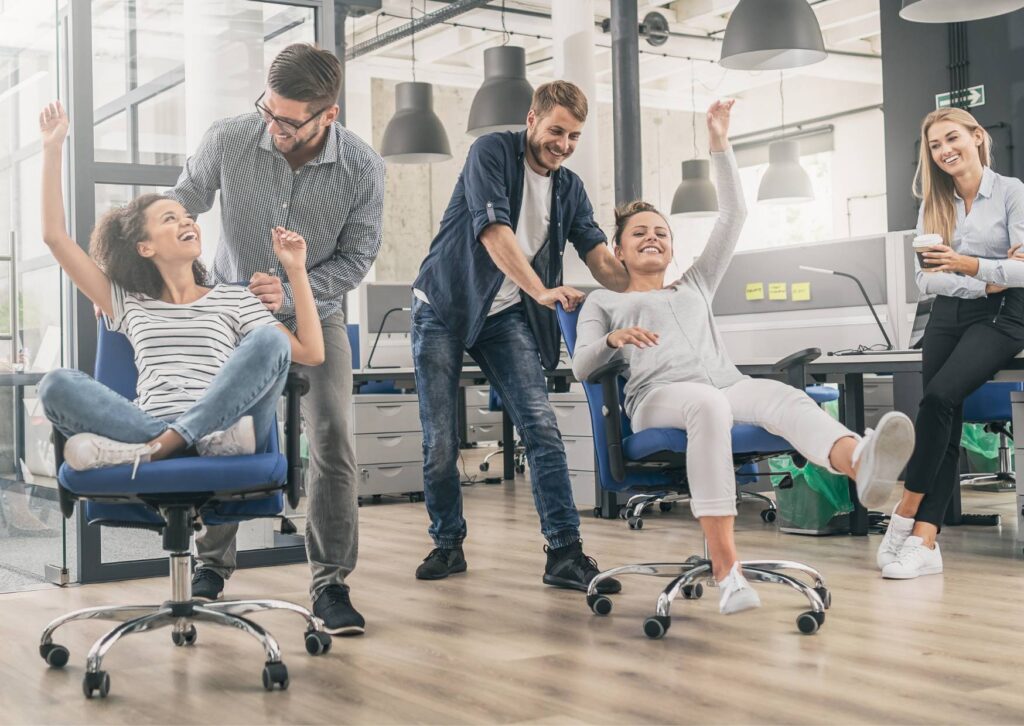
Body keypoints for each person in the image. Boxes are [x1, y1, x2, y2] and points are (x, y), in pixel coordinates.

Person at [571, 100, 916, 613]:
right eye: (639, 233)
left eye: (661, 233)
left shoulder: (695, 285)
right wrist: (613, 342)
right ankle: (727, 569)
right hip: (656, 398)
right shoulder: (604, 301)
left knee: (784, 396)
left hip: (724, 385)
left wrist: (720, 144)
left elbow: (734, 214)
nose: (652, 238)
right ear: (618, 250)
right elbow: (582, 366)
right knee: (705, 407)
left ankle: (861, 462)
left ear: (671, 249)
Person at [169, 44, 384, 634]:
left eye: (289, 121)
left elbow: (357, 257)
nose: (274, 126)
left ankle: (331, 583)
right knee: (225, 432)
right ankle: (211, 566)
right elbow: (182, 201)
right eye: (269, 110)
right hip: (231, 314)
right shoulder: (231, 137)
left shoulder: (363, 167)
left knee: (333, 437)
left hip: (319, 317)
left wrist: (292, 292)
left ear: (327, 116)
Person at [410, 80, 630, 592]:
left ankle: (564, 553)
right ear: (531, 120)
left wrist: (646, 278)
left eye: (574, 136)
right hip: (443, 306)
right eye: (556, 131)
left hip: (504, 316)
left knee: (541, 428)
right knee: (441, 441)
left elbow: (599, 257)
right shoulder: (491, 152)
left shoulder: (569, 187)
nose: (564, 144)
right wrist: (541, 290)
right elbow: (494, 233)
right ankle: (447, 544)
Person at [35, 100, 323, 487]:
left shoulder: (233, 299)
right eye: (170, 219)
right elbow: (55, 238)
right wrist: (52, 147)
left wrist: (296, 270)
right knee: (55, 383)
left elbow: (311, 353)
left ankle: (155, 449)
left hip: (227, 420)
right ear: (145, 247)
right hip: (156, 424)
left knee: (271, 341)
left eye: (187, 217)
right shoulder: (128, 302)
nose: (187, 222)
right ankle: (175, 442)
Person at [877, 107, 1024, 579]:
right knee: (940, 413)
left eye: (952, 138)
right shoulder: (933, 202)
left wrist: (964, 266)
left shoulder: (1012, 193)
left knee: (940, 397)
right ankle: (928, 541)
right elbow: (926, 281)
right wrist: (986, 275)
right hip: (949, 316)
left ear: (978, 137)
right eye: (935, 145)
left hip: (1003, 318)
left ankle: (907, 514)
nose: (944, 151)